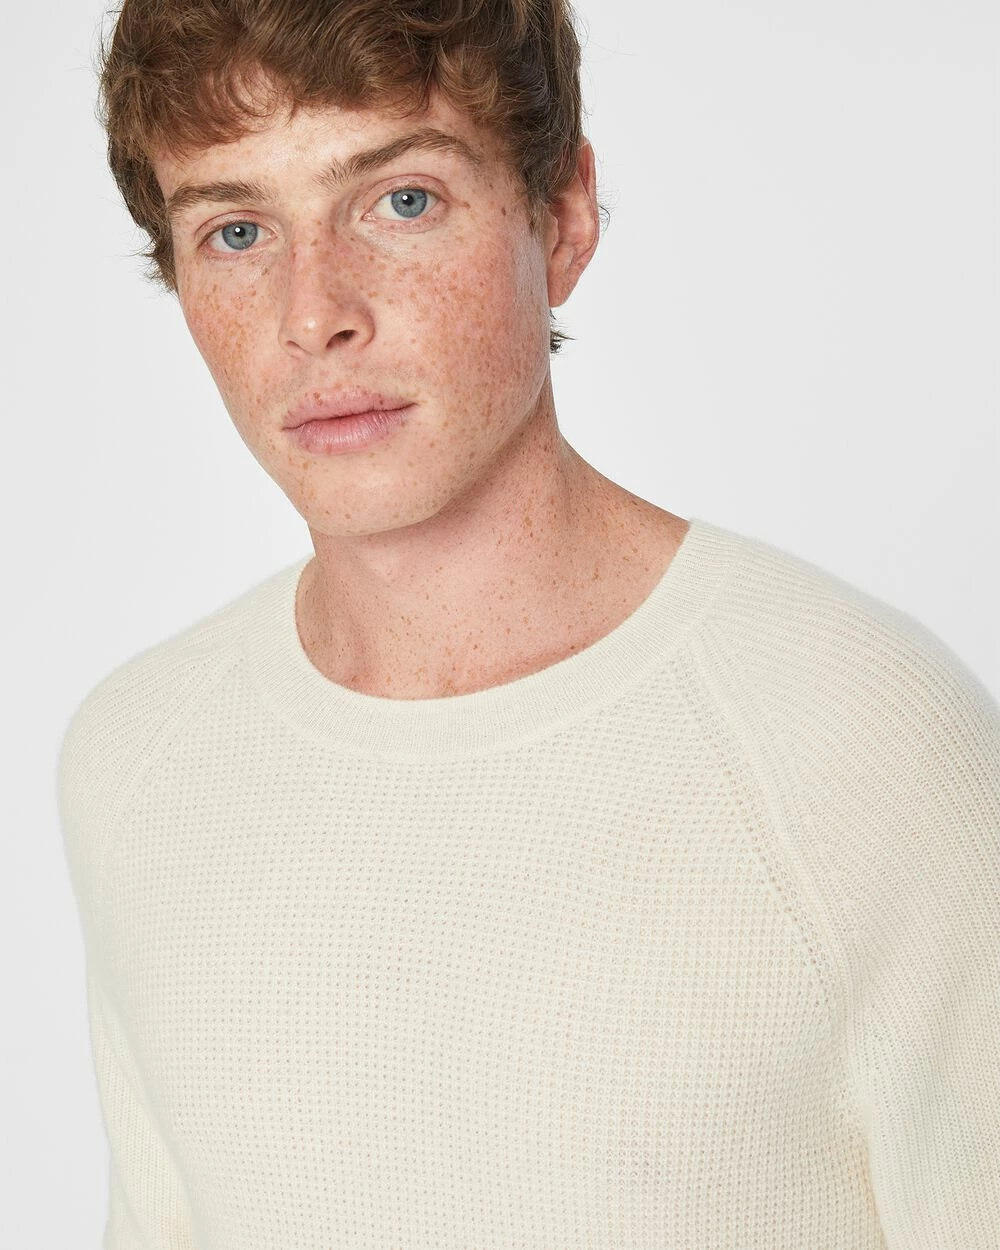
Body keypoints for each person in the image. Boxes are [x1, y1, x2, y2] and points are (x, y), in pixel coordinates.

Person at [56, 1, 999, 1246]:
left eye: (401, 201)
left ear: (561, 219)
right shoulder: (138, 759)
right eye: (237, 231)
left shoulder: (856, 744)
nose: (313, 312)